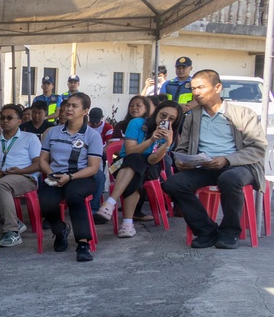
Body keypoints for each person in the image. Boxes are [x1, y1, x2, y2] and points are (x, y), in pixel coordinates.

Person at [162, 70, 268, 249]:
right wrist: (182, 161)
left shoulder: (243, 114)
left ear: (217, 87)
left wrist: (226, 159)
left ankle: (229, 231)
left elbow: (258, 148)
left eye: (201, 87)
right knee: (173, 183)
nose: (196, 92)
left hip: (239, 166)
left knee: (229, 178)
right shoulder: (192, 117)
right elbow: (182, 148)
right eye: (194, 88)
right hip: (205, 166)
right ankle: (207, 231)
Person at [96, 101, 181, 238]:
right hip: (121, 164)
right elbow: (130, 151)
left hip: (150, 166)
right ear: (155, 113)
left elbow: (153, 160)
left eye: (171, 119)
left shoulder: (171, 136)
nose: (165, 121)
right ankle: (127, 224)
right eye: (163, 115)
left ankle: (110, 203)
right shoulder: (137, 123)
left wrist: (167, 143)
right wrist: (151, 139)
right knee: (135, 162)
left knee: (138, 166)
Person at [38, 92, 103, 262]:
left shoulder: (92, 135)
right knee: (45, 198)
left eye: (74, 106)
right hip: (56, 175)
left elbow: (93, 168)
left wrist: (70, 177)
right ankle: (60, 230)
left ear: (85, 111)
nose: (69, 108)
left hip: (81, 177)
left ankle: (83, 243)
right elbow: (43, 160)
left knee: (74, 196)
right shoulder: (53, 132)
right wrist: (51, 174)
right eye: (67, 105)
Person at [0, 104, 42, 247]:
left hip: (25, 177)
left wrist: (18, 171)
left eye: (9, 118)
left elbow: (38, 164)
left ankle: (12, 232)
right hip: (0, 177)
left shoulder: (30, 138)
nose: (5, 121)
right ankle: (14, 221)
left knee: (0, 184)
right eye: (2, 118)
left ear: (20, 121)